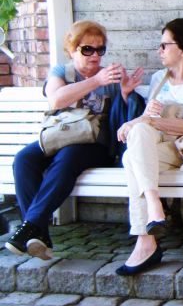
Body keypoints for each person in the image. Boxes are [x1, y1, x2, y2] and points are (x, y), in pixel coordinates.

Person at [6, 20, 144, 259]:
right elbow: (56, 100)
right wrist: (96, 81)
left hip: (95, 145)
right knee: (24, 159)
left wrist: (124, 92)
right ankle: (37, 234)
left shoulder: (111, 77)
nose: (95, 55)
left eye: (100, 49)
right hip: (60, 137)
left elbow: (121, 119)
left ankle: (29, 227)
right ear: (72, 50)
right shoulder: (62, 72)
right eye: (87, 49)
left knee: (68, 157)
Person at [115, 18, 183, 276]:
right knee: (137, 139)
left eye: (164, 45)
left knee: (131, 160)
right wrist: (141, 119)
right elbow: (148, 123)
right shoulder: (159, 78)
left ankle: (146, 238)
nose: (159, 51)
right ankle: (153, 212)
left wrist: (148, 121)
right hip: (157, 147)